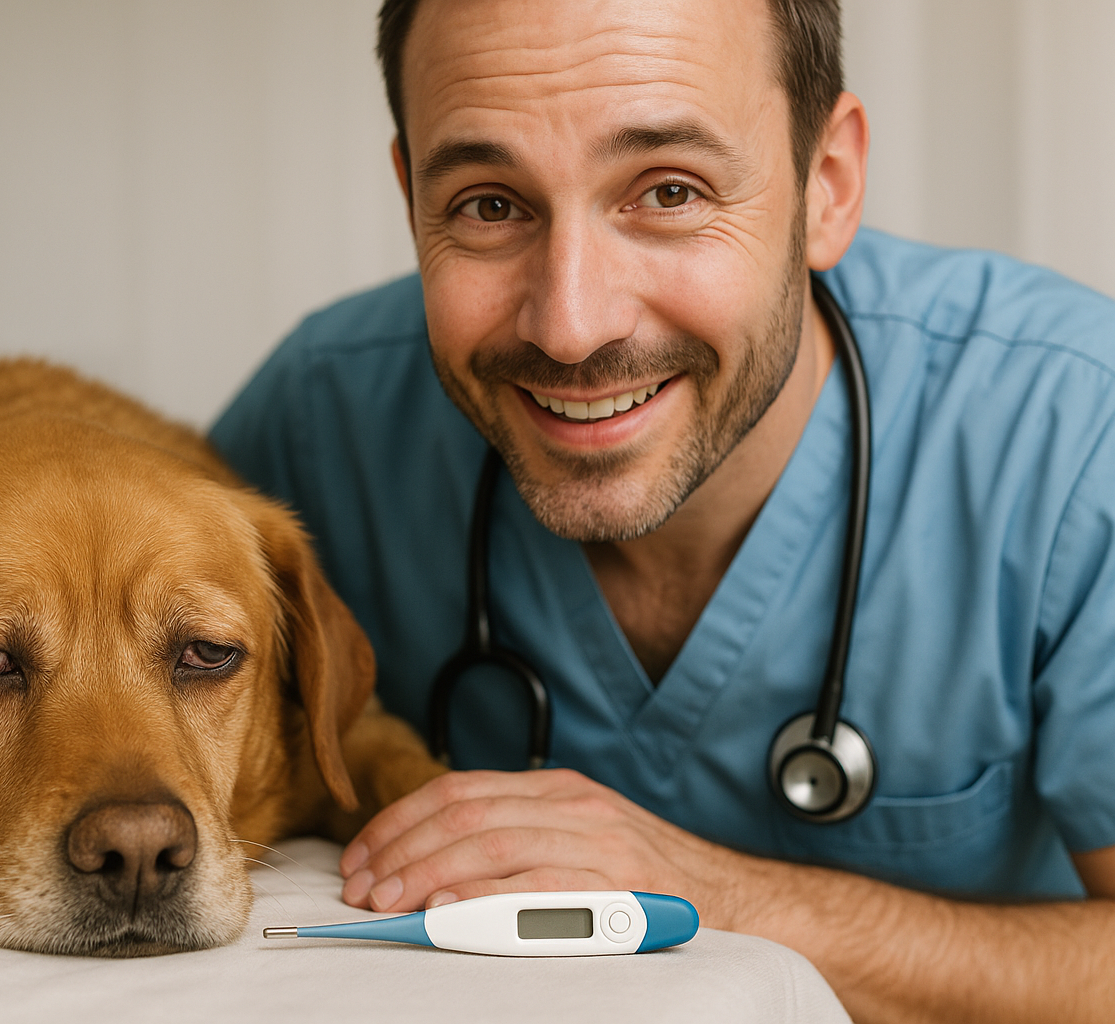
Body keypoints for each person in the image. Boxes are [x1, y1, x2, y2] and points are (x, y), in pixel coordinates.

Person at [210, 0, 1115, 1019]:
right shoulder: (318, 425)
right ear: (409, 193)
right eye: (488, 205)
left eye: (669, 191)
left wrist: (713, 895)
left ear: (830, 183)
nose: (571, 323)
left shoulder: (1077, 438)